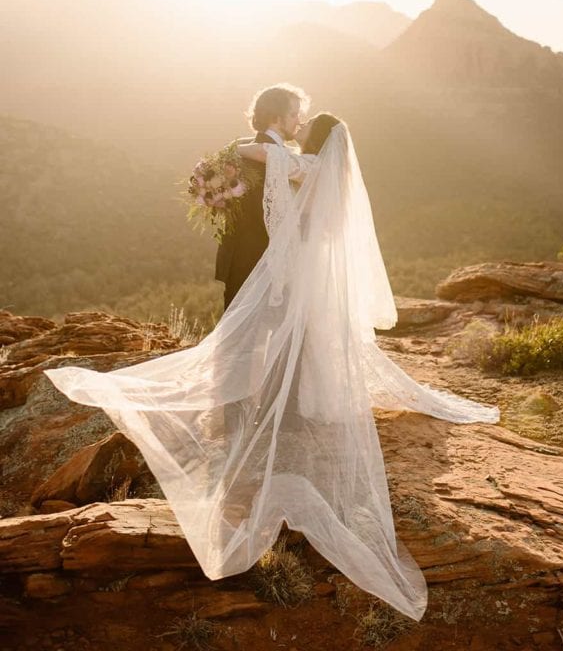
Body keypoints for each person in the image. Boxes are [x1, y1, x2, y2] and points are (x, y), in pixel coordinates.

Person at [45, 114, 499, 621]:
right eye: (297, 122)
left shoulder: (307, 164)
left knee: (303, 335)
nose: (301, 129)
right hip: (315, 264)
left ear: (321, 141)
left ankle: (296, 398)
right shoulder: (324, 169)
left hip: (304, 263)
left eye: (308, 127)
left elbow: (260, 153)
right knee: (314, 337)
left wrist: (251, 149)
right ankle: (308, 395)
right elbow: (265, 158)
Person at [215, 83, 310, 310]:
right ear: (276, 118)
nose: (299, 120)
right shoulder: (267, 156)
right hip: (259, 265)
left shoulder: (242, 149)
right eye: (294, 114)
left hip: (240, 261)